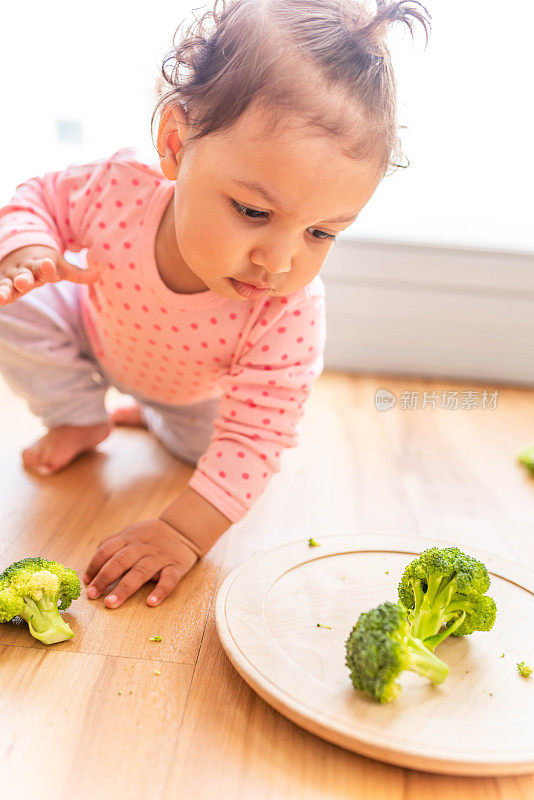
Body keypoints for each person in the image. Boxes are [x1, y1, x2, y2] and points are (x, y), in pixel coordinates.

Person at [0, 0, 430, 610]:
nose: (280, 262)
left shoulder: (288, 310)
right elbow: (37, 196)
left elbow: (256, 436)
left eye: (322, 232)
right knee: (11, 297)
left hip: (197, 403)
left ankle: (152, 418)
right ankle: (77, 414)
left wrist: (180, 531)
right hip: (93, 334)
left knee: (212, 460)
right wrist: (28, 249)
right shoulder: (114, 189)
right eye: (254, 212)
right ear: (175, 143)